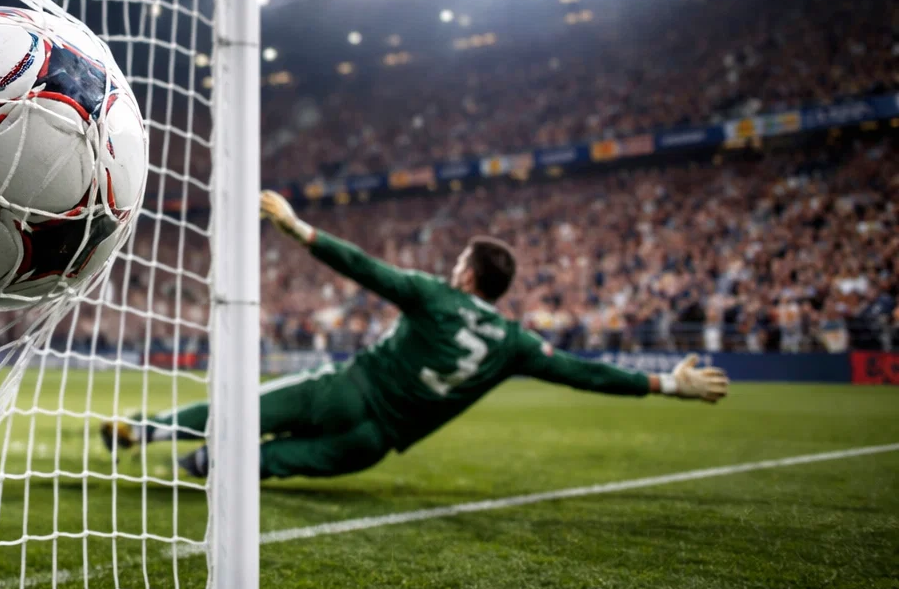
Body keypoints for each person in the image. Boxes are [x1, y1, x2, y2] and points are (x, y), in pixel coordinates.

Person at [102, 190, 729, 480]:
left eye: (460, 260)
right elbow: (583, 372)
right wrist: (666, 384)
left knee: (243, 409)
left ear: (468, 272)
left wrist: (300, 229)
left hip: (348, 392)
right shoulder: (515, 343)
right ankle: (203, 466)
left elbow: (367, 269)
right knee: (274, 460)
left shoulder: (437, 296)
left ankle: (146, 431)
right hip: (374, 444)